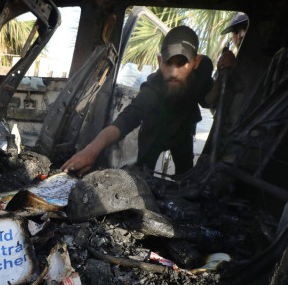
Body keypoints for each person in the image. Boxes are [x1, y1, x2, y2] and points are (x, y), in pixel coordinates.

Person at [61, 25, 234, 175]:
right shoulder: (153, 88)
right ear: (160, 61)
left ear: (196, 62)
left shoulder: (201, 73)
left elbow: (208, 101)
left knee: (185, 174)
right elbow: (125, 120)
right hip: (154, 132)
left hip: (183, 129)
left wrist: (225, 72)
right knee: (144, 174)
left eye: (181, 64)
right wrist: (91, 150)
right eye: (168, 63)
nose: (173, 72)